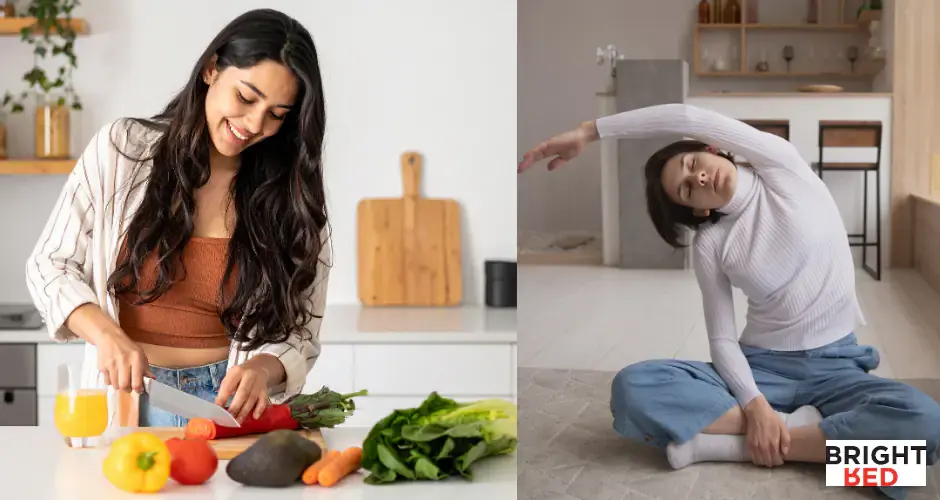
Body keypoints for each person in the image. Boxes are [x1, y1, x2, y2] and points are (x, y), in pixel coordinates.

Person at [519, 103, 940, 499]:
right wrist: (754, 404)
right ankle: (814, 439)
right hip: (762, 369)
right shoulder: (710, 242)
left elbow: (685, 114)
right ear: (697, 210)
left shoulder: (782, 167)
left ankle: (729, 445)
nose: (698, 178)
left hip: (836, 368)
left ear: (711, 149)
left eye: (691, 165)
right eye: (686, 189)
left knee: (926, 427)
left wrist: (588, 131)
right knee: (634, 388)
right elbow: (722, 340)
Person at [25, 8, 332, 429]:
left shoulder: (291, 195)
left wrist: (263, 368)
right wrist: (107, 336)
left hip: (226, 411)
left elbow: (301, 332)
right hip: (126, 400)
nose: (254, 123)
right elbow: (49, 265)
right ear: (211, 69)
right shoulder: (123, 150)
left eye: (277, 114)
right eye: (246, 97)